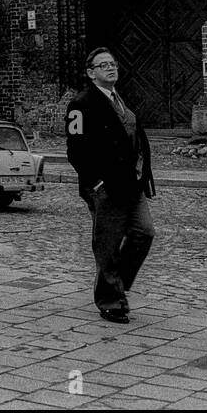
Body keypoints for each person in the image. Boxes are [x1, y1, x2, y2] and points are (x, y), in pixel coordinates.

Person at [65, 47, 156, 324]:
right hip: (105, 187)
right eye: (103, 65)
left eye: (113, 64)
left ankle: (115, 285)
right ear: (91, 73)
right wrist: (96, 183)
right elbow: (75, 150)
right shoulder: (80, 104)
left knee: (144, 232)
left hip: (132, 183)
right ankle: (110, 301)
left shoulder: (119, 100)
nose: (110, 68)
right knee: (108, 243)